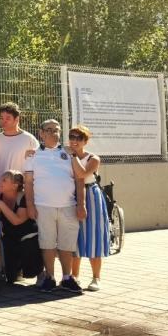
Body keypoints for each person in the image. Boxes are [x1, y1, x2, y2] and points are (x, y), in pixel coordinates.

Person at [24, 119, 86, 294]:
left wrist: (81, 204)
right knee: (47, 243)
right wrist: (29, 205)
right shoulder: (32, 156)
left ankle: (67, 278)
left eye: (57, 130)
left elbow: (80, 179)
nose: (53, 133)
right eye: (49, 130)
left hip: (68, 206)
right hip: (43, 206)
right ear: (41, 133)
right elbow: (28, 183)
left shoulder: (69, 153)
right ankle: (50, 277)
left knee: (67, 245)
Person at [67, 125, 108, 291]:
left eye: (79, 138)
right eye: (72, 137)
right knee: (74, 237)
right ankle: (74, 276)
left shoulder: (93, 158)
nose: (75, 141)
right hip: (71, 196)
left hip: (91, 196)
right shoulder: (66, 155)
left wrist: (74, 156)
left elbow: (82, 174)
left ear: (85, 141)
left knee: (93, 235)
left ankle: (96, 277)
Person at [0, 170, 43, 284]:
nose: (0, 182)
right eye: (1, 179)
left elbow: (17, 220)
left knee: (29, 243)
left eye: (4, 180)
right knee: (10, 278)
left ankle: (40, 273)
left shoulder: (23, 197)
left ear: (15, 185)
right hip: (8, 234)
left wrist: (0, 205)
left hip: (26, 232)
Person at [0, 102, 39, 190]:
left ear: (17, 119)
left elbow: (37, 164)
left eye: (8, 118)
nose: (4, 121)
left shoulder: (29, 139)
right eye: (1, 118)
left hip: (20, 190)